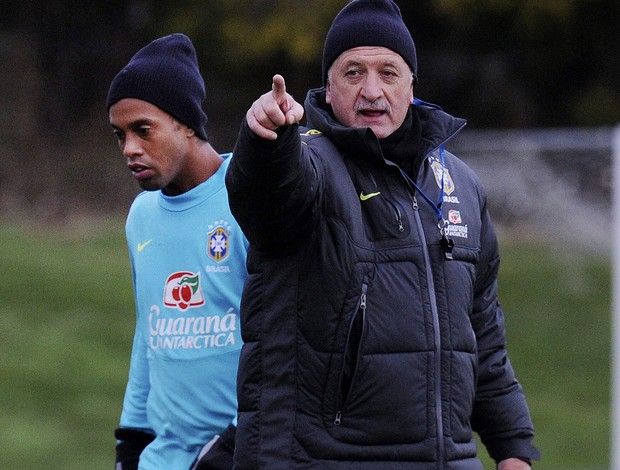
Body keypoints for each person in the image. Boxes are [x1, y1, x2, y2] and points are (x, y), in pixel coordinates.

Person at [225, 1, 541, 468]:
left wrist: (513, 447)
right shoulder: (310, 162)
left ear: (412, 85)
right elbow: (269, 199)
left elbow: (483, 336)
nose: (371, 90)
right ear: (328, 90)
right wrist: (268, 140)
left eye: (388, 73)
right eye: (353, 72)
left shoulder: (462, 186)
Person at [106, 33, 248, 470]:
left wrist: (238, 444)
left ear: (186, 122)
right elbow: (149, 333)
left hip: (240, 455)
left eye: (142, 130)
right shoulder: (142, 215)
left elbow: (290, 343)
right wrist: (131, 441)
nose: (130, 148)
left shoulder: (248, 198)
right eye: (120, 134)